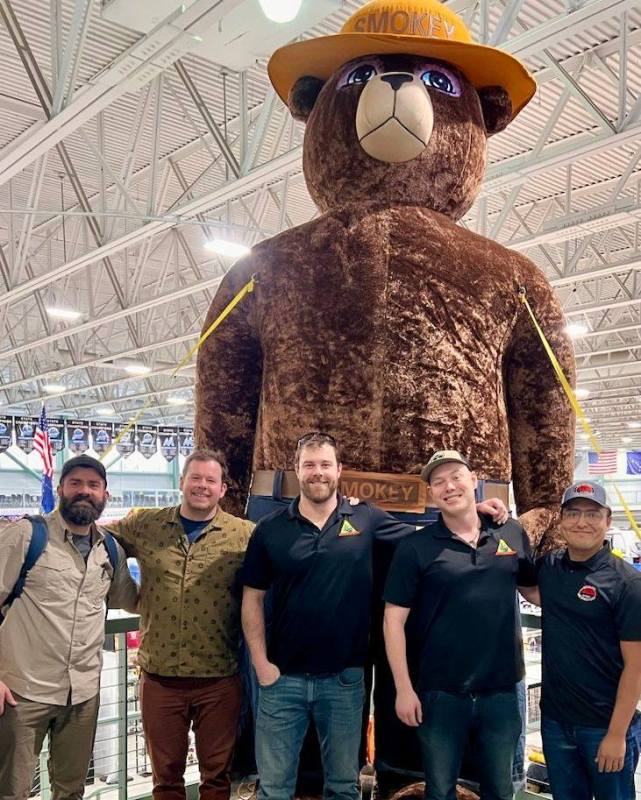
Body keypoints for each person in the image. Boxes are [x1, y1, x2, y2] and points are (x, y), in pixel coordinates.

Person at [241, 435, 507, 800]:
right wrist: (261, 664)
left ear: (338, 470)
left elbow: (424, 536)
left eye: (324, 465)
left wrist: (470, 512)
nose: (317, 473)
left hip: (345, 682)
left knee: (343, 787)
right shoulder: (270, 529)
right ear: (297, 470)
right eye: (309, 465)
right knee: (273, 789)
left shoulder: (365, 517)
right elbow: (251, 600)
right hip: (281, 681)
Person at [383, 450, 538, 800]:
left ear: (474, 480)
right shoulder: (415, 547)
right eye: (438, 482)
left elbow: (534, 589)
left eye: (456, 476)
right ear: (431, 494)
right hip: (440, 694)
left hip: (501, 691)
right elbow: (393, 622)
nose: (448, 486)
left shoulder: (511, 533)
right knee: (440, 790)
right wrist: (404, 689)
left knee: (500, 789)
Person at [107, 448, 254, 800]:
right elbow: (101, 539)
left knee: (217, 779)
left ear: (222, 489)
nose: (202, 486)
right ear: (182, 481)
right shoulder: (145, 524)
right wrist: (127, 593)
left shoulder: (245, 535)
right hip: (160, 679)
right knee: (166, 780)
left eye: (210, 480)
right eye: (196, 478)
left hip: (218, 678)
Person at [0, 454, 138, 800]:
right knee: (11, 790)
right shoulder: (26, 537)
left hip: (82, 694)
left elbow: (132, 600)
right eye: (76, 483)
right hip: (22, 693)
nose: (84, 492)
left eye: (93, 485)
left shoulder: (110, 550)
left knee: (71, 790)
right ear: (61, 488)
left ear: (106, 495)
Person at [537, 480, 641, 800]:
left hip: (604, 727)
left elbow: (636, 667)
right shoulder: (549, 566)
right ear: (562, 520)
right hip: (556, 722)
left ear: (608, 521)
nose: (582, 521)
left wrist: (616, 734)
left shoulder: (627, 583)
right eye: (573, 513)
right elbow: (525, 586)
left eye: (593, 514)